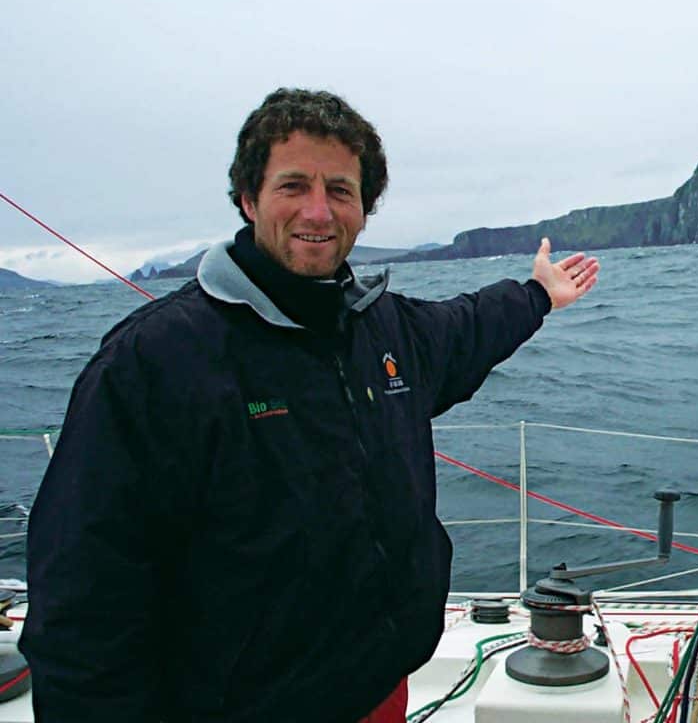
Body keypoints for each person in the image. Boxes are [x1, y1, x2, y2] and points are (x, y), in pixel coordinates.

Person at [19, 88, 599, 722]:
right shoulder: (153, 363)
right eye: (293, 185)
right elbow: (83, 604)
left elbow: (467, 328)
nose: (319, 211)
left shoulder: (386, 330)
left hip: (380, 685)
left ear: (364, 209)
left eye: (341, 191)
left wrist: (537, 294)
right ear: (248, 198)